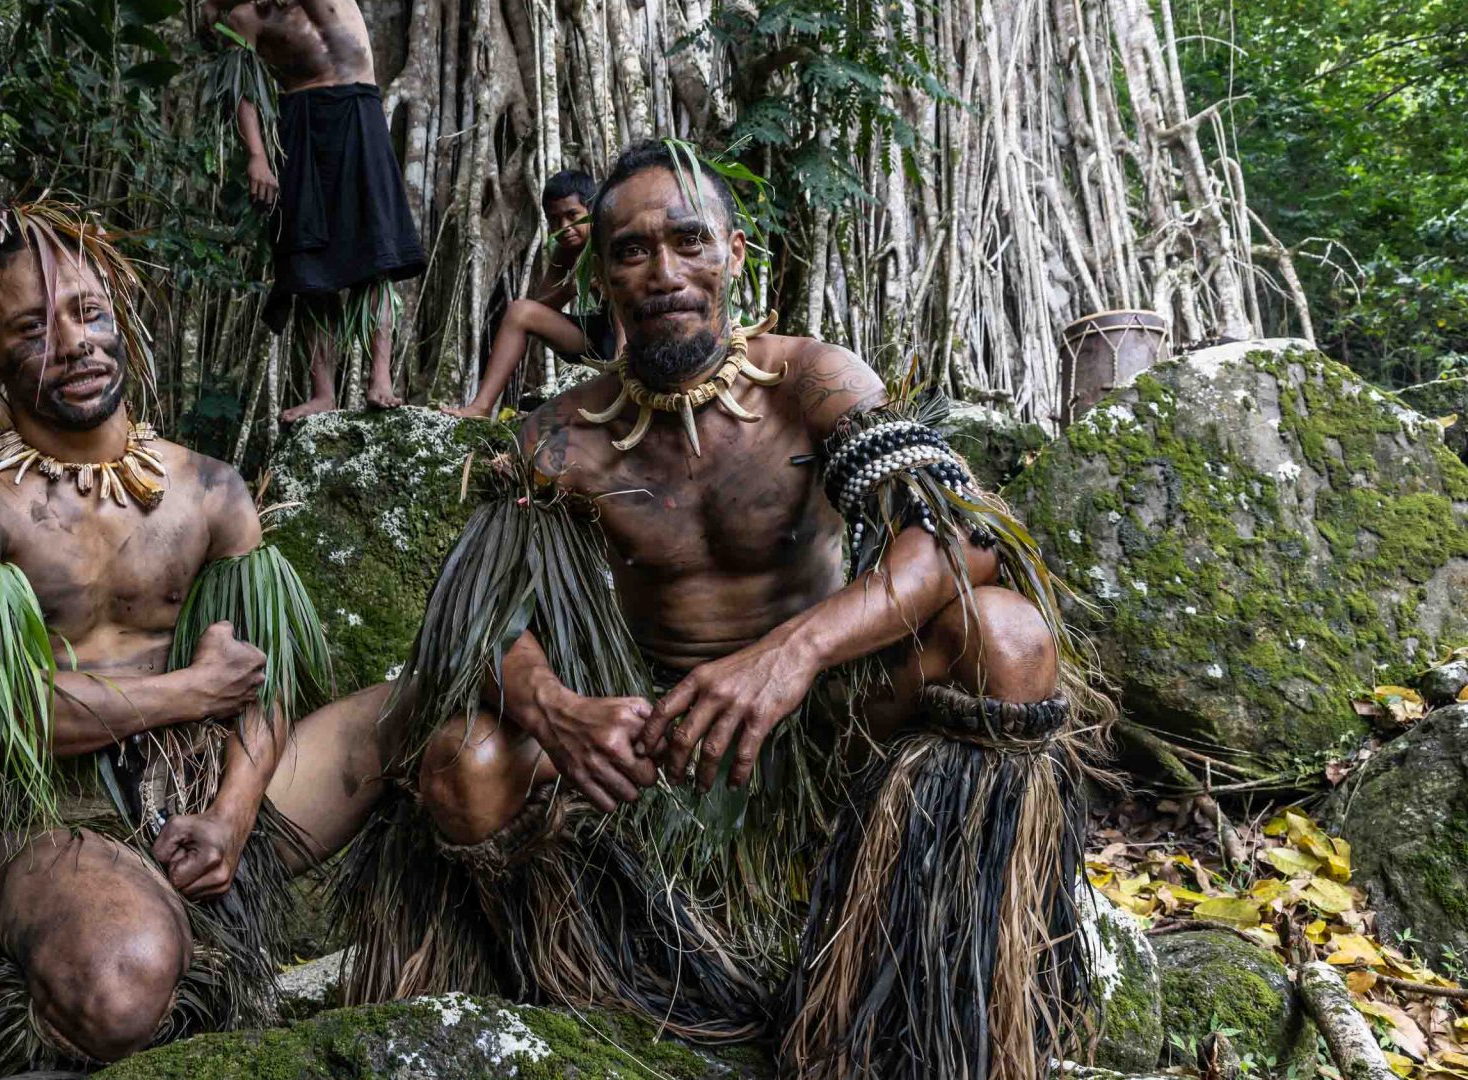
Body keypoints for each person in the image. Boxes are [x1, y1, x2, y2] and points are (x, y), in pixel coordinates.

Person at [336, 142, 1110, 1078]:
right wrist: (556, 708)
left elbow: (957, 535)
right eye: (631, 250)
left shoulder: (815, 383)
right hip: (655, 748)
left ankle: (916, 1018)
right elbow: (478, 615)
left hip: (829, 726)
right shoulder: (560, 436)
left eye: (688, 241)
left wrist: (794, 653)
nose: (663, 273)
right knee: (465, 761)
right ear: (602, 272)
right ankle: (593, 1002)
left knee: (1011, 637)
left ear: (734, 255)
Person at [0, 202, 393, 1077]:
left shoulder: (211, 487)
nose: (77, 342)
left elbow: (264, 682)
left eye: (89, 313)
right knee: (120, 987)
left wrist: (229, 820)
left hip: (223, 788)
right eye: (32, 327)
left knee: (432, 707)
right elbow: (0, 716)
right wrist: (189, 693)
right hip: (63, 814)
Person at [203, 0, 426, 421]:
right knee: (307, 265)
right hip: (301, 120)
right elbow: (242, 88)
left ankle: (380, 378)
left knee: (377, 253)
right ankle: (322, 392)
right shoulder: (246, 16)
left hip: (360, 108)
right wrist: (257, 156)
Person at [442, 168, 622, 420]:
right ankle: (480, 407)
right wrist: (570, 289)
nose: (565, 227)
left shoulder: (613, 238)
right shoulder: (566, 250)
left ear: (592, 211)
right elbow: (540, 306)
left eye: (573, 216)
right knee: (519, 311)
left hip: (629, 336)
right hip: (596, 338)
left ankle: (620, 384)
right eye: (555, 220)